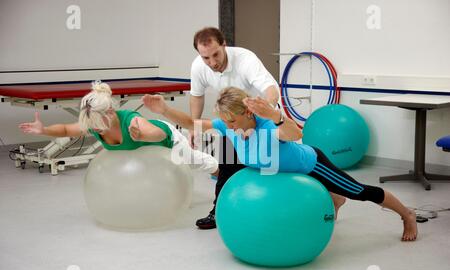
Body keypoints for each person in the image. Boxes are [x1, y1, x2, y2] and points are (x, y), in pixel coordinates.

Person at [142, 87, 418, 242]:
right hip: (277, 175)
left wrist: (274, 115)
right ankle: (334, 199)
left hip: (310, 166)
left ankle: (406, 214)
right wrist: (164, 110)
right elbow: (193, 124)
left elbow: (296, 134)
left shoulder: (267, 126)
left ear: (249, 113)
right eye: (224, 122)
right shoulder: (230, 126)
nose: (227, 127)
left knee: (359, 191)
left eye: (232, 122)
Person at [18, 81, 218, 175]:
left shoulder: (132, 121)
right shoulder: (95, 124)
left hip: (169, 142)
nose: (98, 132)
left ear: (111, 112)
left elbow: (158, 135)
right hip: (144, 155)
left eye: (99, 126)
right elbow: (65, 130)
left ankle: (224, 175)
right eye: (93, 128)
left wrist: (140, 136)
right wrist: (44, 130)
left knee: (201, 163)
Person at [189, 26, 280, 229]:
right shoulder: (198, 66)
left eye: (216, 54)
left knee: (268, 170)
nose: (212, 62)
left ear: (224, 45)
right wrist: (194, 126)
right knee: (227, 167)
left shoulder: (245, 60)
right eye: (206, 58)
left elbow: (271, 91)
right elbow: (196, 95)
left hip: (262, 119)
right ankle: (218, 212)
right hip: (233, 122)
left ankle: (269, 216)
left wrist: (262, 118)